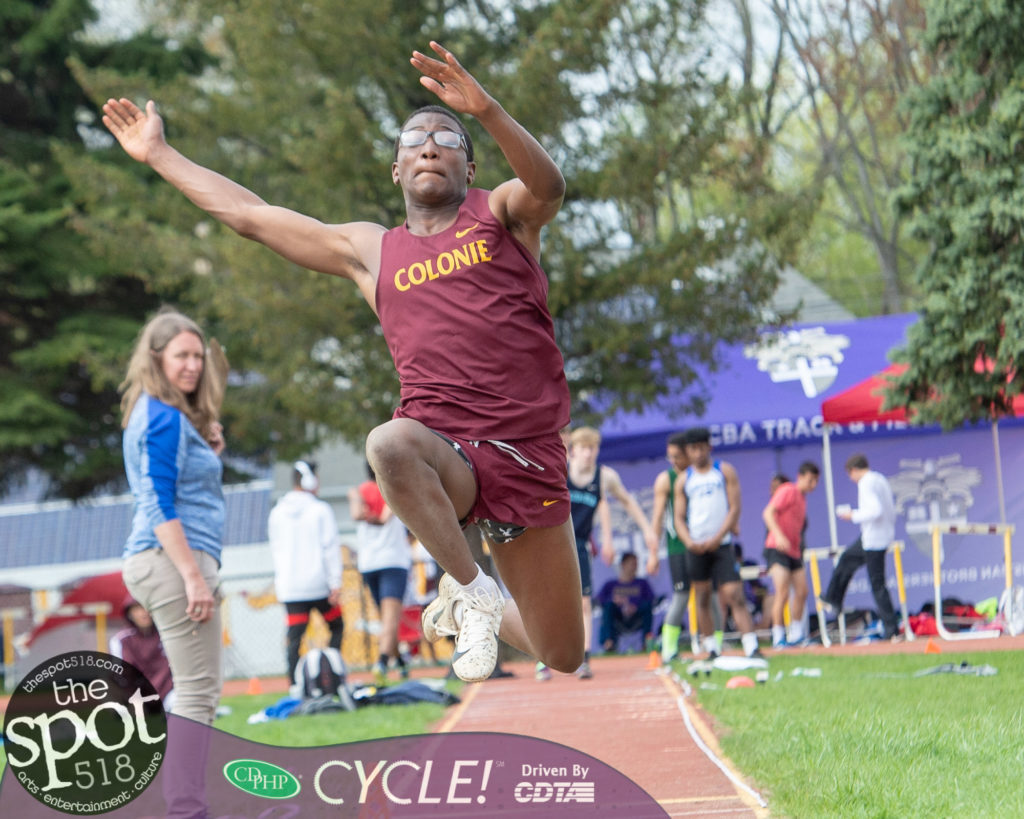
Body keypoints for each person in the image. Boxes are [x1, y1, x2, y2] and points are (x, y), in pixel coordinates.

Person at [103, 41, 584, 683]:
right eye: (416, 139)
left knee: (562, 652)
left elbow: (548, 187)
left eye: (447, 137)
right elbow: (251, 216)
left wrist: (489, 111)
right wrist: (160, 154)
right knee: (388, 444)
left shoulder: (500, 215)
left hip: (527, 448)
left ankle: (480, 603)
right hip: (446, 449)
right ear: (396, 170)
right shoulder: (372, 250)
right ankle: (472, 589)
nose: (432, 144)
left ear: (469, 168)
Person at [119, 308, 226, 818]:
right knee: (197, 691)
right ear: (156, 357)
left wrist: (206, 446)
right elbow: (158, 502)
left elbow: (173, 483)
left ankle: (188, 803)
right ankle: (186, 807)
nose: (192, 366)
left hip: (165, 557)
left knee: (198, 690)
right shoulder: (161, 417)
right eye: (181, 355)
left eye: (198, 357)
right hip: (172, 559)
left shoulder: (162, 415)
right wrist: (191, 577)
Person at [536, 425, 658, 681]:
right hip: (549, 541)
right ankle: (543, 658)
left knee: (583, 603)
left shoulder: (605, 477)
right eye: (585, 448)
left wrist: (647, 530)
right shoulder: (559, 468)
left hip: (578, 544)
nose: (590, 454)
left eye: (594, 448)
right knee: (547, 602)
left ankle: (583, 658)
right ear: (573, 450)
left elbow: (627, 501)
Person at [673, 427, 762, 660]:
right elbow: (679, 518)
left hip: (721, 543)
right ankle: (712, 647)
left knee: (734, 594)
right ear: (688, 451)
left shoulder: (724, 471)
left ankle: (751, 646)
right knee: (702, 596)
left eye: (702, 447)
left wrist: (718, 536)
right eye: (693, 448)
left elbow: (735, 508)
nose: (698, 452)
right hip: (696, 546)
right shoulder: (684, 480)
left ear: (709, 447)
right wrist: (689, 542)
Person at [268, 460, 344, 688]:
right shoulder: (320, 509)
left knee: (294, 636)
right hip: (319, 584)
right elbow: (330, 547)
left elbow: (275, 549)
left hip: (290, 587)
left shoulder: (276, 513)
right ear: (309, 480)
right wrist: (335, 582)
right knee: (337, 625)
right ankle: (330, 672)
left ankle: (294, 684)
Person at [820, 453, 901, 641]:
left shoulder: (866, 482)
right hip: (877, 535)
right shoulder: (880, 479)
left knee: (876, 583)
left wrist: (853, 515)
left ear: (853, 470)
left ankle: (891, 629)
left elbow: (875, 510)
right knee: (847, 561)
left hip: (873, 538)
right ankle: (833, 599)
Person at [348, 463, 412, 684]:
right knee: (389, 621)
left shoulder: (358, 492)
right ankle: (383, 663)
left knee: (386, 620)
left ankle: (398, 663)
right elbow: (387, 518)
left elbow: (357, 514)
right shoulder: (391, 490)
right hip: (393, 561)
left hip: (369, 563)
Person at [762, 461, 820, 648]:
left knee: (802, 591)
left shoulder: (803, 499)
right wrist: (778, 536)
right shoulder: (788, 490)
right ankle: (778, 636)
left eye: (816, 481)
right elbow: (768, 513)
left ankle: (796, 634)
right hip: (776, 549)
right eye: (810, 480)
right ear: (800, 476)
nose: (813, 485)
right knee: (782, 592)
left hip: (794, 551)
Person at [650, 431, 690, 662]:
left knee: (713, 596)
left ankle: (712, 646)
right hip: (678, 547)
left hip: (704, 546)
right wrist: (654, 553)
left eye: (678, 456)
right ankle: (669, 649)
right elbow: (657, 519)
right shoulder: (666, 479)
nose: (674, 461)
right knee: (681, 596)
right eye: (670, 457)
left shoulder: (700, 475)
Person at [109, 596, 174, 709]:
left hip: (169, 692)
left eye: (146, 608)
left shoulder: (167, 634)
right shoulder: (121, 640)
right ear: (130, 614)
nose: (143, 613)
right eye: (137, 609)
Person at [595, 552, 655, 653]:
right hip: (618, 618)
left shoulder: (642, 583)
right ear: (623, 564)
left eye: (636, 564)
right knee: (609, 606)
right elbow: (598, 601)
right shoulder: (610, 584)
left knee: (647, 606)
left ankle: (646, 642)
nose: (634, 567)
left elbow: (651, 600)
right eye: (632, 564)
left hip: (636, 617)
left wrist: (635, 607)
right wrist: (614, 601)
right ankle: (609, 642)